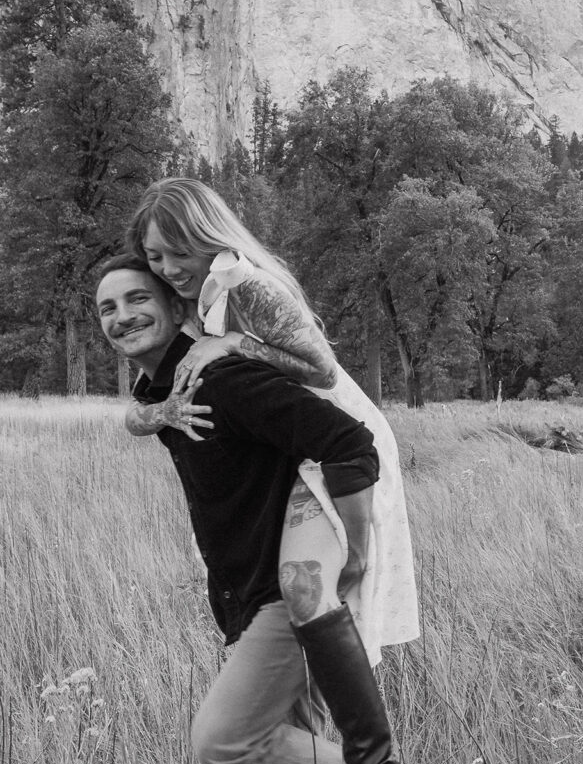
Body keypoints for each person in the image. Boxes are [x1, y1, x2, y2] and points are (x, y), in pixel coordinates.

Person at [95, 254, 415, 764]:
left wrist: (354, 553)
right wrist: (150, 415)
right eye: (107, 307)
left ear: (176, 306)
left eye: (138, 298)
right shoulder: (161, 386)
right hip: (243, 592)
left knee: (225, 740)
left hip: (284, 592)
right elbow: (138, 413)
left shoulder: (223, 379)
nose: (123, 315)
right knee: (300, 754)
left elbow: (349, 440)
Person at [123, 177, 419, 669]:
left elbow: (321, 371)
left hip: (339, 442)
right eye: (154, 257)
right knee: (290, 596)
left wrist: (233, 344)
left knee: (324, 592)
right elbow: (135, 412)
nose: (169, 269)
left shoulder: (249, 283)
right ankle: (330, 727)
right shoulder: (187, 301)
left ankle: (355, 729)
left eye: (180, 252)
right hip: (288, 446)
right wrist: (165, 413)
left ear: (209, 237)